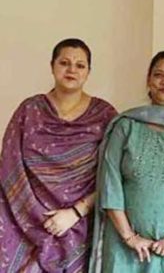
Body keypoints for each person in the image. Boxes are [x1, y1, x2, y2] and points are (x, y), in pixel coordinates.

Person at [0, 38, 117, 272]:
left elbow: (114, 175)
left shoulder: (104, 115)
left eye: (80, 65)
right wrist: (36, 215)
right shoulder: (29, 110)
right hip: (24, 222)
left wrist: (75, 213)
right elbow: (9, 166)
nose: (71, 69)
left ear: (88, 72)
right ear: (52, 66)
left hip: (82, 224)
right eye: (64, 62)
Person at [89, 51, 164, 272]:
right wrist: (129, 237)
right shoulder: (126, 125)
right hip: (125, 249)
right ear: (148, 81)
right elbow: (110, 183)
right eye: (159, 75)